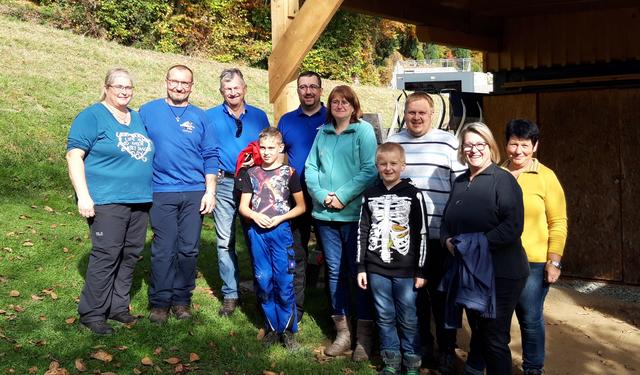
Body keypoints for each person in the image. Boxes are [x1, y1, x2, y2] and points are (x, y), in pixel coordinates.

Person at [66, 68, 153, 335]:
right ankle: (92, 313)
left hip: (139, 200)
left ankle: (117, 307)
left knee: (129, 255)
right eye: (119, 87)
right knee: (107, 254)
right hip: (106, 200)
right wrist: (83, 195)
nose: (124, 91)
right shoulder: (92, 116)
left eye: (129, 87)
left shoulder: (136, 117)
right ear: (106, 87)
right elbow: (74, 156)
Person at [387, 91, 466, 373]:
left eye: (422, 113)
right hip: (405, 239)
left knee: (443, 297)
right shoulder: (393, 142)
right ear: (404, 113)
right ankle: (422, 345)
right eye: (411, 112)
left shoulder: (448, 143)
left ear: (432, 115)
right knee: (413, 297)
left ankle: (447, 349)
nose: (416, 117)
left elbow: (460, 186)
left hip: (439, 237)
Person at [441, 122, 529, 375]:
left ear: (491, 147)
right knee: (479, 328)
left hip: (502, 273)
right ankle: (474, 370)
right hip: (470, 272)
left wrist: (470, 245)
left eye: (480, 144)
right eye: (468, 145)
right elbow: (447, 221)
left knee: (493, 335)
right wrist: (446, 240)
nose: (473, 150)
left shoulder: (503, 181)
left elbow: (512, 227)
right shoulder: (459, 181)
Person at [305, 85, 378, 361]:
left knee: (357, 273)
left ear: (353, 105)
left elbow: (370, 169)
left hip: (353, 215)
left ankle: (364, 337)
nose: (339, 105)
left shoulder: (363, 132)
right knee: (335, 272)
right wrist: (324, 197)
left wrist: (343, 197)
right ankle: (343, 333)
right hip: (325, 217)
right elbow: (310, 169)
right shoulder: (322, 134)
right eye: (334, 101)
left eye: (345, 101)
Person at [139, 65, 217, 324]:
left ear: (192, 86)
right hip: (161, 191)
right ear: (166, 82)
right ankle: (160, 302)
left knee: (188, 250)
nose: (179, 87)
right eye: (174, 81)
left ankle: (182, 300)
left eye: (185, 83)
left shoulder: (201, 117)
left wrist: (210, 191)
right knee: (163, 249)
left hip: (195, 192)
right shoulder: (148, 112)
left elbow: (210, 155)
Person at [356, 142, 428, 375]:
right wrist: (361, 267)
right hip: (376, 268)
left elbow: (421, 233)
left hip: (406, 271)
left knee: (408, 316)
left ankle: (412, 362)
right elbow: (362, 231)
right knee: (384, 315)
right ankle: (391, 361)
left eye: (393, 164)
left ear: (403, 166)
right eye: (383, 164)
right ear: (377, 166)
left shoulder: (413, 195)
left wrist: (421, 270)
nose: (388, 168)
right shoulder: (370, 195)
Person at [503, 119, 568, 375]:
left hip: (533, 262)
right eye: (513, 144)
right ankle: (500, 365)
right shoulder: (497, 173)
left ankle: (533, 368)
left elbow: (558, 221)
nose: (518, 151)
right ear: (505, 143)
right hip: (499, 262)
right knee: (498, 321)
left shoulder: (546, 177)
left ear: (535, 146)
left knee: (530, 319)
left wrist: (554, 261)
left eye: (524, 145)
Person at [206, 68, 270, 317]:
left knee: (256, 237)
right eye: (227, 88)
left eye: (236, 87)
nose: (233, 92)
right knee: (224, 241)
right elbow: (207, 150)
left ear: (245, 89)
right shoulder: (209, 116)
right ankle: (231, 294)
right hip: (224, 182)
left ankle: (261, 290)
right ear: (222, 91)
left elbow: (268, 149)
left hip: (253, 184)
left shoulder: (258, 116)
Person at [238, 127, 306, 350]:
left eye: (271, 148)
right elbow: (243, 207)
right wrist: (255, 215)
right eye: (263, 148)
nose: (266, 152)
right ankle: (270, 327)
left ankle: (287, 330)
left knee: (284, 281)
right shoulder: (251, 173)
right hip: (257, 233)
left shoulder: (290, 173)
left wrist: (280, 218)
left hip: (281, 233)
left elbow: (301, 207)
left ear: (281, 148)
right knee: (263, 279)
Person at [277, 71, 328, 322]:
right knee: (297, 251)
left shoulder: (332, 116)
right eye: (303, 87)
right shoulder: (287, 120)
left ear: (321, 90)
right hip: (296, 195)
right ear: (298, 91)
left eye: (313, 87)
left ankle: (335, 310)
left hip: (327, 194)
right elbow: (277, 156)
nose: (308, 91)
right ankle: (296, 308)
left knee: (331, 252)